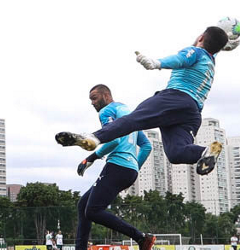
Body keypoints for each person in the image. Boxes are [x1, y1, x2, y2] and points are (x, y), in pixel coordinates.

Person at [56, 25, 229, 176]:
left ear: (201, 38)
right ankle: (205, 152)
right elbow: (208, 46)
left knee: (133, 120)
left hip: (175, 98)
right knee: (176, 153)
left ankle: (94, 138)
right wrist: (222, 43)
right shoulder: (210, 62)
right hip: (192, 114)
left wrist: (157, 63)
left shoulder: (196, 52)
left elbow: (181, 59)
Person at [57, 84, 156, 250]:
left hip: (117, 165)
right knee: (84, 205)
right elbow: (146, 146)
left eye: (94, 98)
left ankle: (141, 238)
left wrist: (91, 158)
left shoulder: (107, 111)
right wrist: (134, 166)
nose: (92, 103)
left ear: (106, 96)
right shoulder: (129, 115)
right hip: (128, 170)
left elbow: (115, 139)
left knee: (93, 211)